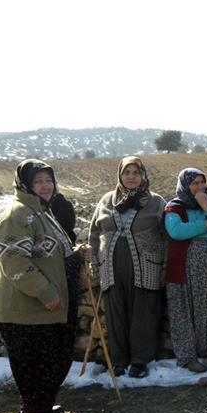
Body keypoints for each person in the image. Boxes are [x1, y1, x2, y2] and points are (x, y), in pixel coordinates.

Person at [0, 160, 90, 413]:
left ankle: (34, 409)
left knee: (49, 360)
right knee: (35, 363)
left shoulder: (42, 212)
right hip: (27, 308)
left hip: (44, 308)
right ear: (25, 184)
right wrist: (46, 291)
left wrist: (75, 254)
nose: (45, 186)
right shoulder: (17, 215)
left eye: (48, 180)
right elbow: (14, 262)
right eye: (38, 181)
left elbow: (50, 252)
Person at [88, 156, 167, 378]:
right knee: (116, 314)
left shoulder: (156, 202)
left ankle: (140, 361)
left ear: (143, 176)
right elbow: (95, 233)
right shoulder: (106, 200)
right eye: (126, 173)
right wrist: (94, 261)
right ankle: (119, 359)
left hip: (146, 266)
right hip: (112, 267)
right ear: (120, 175)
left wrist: (164, 268)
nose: (131, 177)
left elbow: (166, 237)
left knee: (144, 314)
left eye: (136, 173)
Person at [164, 168, 207, 373]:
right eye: (194, 183)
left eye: (202, 182)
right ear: (185, 185)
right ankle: (187, 357)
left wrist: (206, 206)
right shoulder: (174, 207)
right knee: (184, 309)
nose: (199, 187)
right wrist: (204, 223)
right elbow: (176, 231)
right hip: (186, 266)